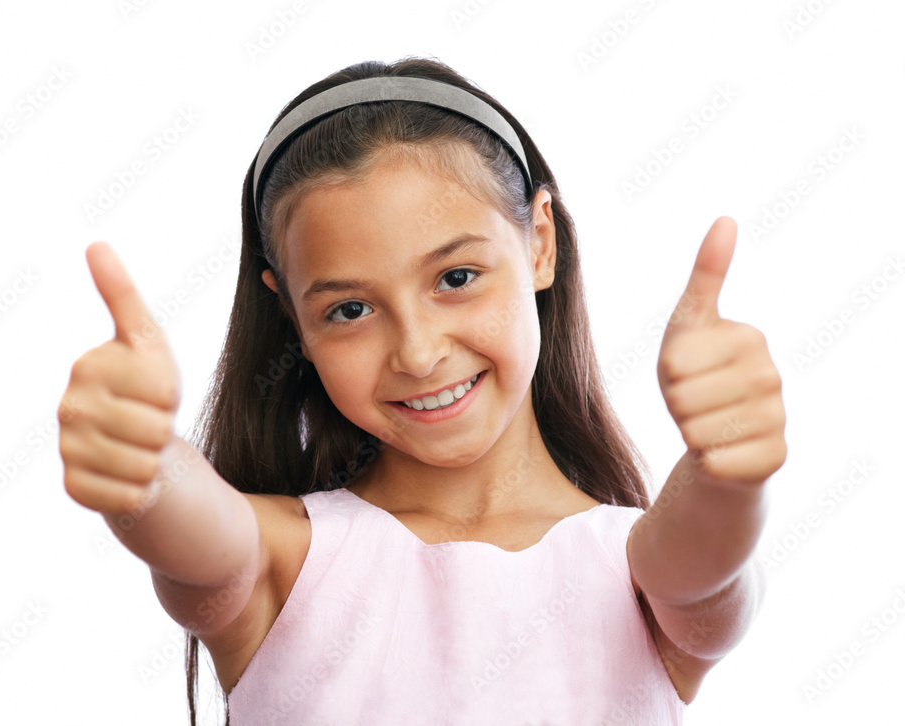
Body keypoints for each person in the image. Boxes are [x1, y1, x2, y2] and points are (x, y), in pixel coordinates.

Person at [57, 56, 787, 725]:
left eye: (456, 278)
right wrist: (145, 467)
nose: (418, 351)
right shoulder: (282, 564)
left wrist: (726, 472)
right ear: (293, 319)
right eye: (349, 310)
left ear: (539, 242)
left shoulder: (635, 573)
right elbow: (196, 534)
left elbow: (702, 571)